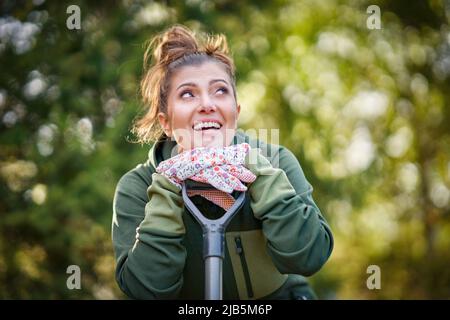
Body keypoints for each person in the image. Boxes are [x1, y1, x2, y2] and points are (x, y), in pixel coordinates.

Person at [112, 24, 333, 300]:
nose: (207, 104)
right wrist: (167, 190)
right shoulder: (138, 187)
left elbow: (309, 256)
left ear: (235, 112)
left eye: (219, 91)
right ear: (166, 123)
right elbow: (146, 290)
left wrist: (260, 174)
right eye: (188, 94)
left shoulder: (276, 161)